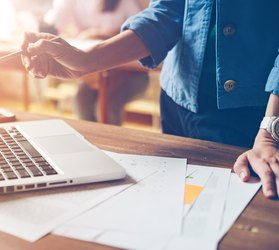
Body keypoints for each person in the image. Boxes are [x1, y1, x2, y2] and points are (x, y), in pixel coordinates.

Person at [20, 0, 279, 199]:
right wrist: (85, 61)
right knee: (178, 205)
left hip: (257, 115)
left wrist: (269, 132)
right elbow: (166, 12)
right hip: (177, 103)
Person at [40, 0, 149, 125]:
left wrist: (99, 35)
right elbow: (54, 20)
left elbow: (142, 32)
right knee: (81, 99)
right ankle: (90, 141)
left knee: (106, 105)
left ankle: (110, 143)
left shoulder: (127, 2)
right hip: (95, 74)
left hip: (130, 75)